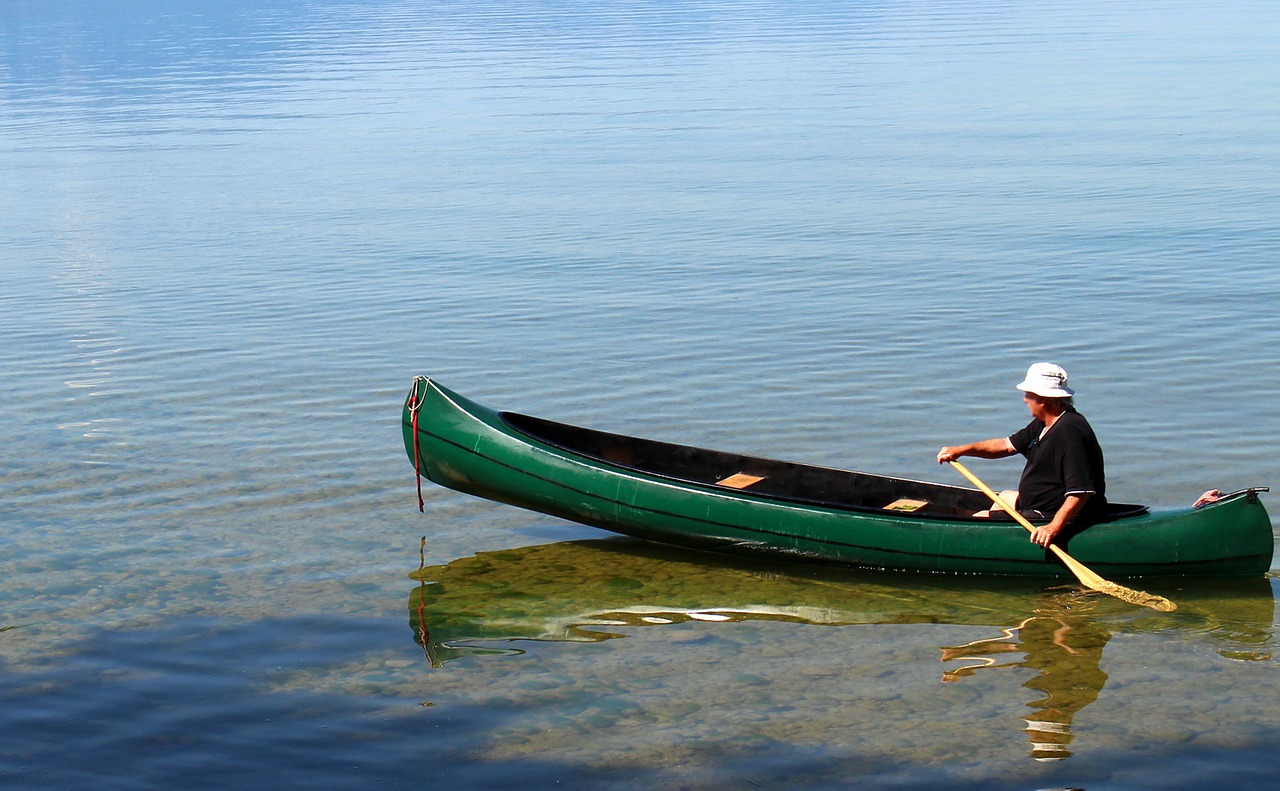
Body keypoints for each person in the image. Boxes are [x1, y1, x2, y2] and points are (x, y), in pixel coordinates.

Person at [937, 363, 1106, 549]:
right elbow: (1005, 446)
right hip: (1040, 504)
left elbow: (1080, 492)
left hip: (1049, 514)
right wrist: (962, 450)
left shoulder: (1069, 432)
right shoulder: (1044, 423)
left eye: (1028, 395)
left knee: (978, 518)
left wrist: (1052, 528)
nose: (1025, 400)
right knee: (1006, 496)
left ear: (1043, 399)